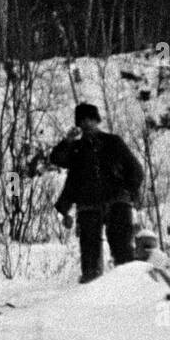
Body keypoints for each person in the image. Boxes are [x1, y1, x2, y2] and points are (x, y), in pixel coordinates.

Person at [50, 102, 144, 283]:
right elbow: (56, 158)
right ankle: (92, 299)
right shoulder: (76, 148)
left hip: (117, 202)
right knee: (90, 260)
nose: (87, 124)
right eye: (83, 121)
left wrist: (129, 192)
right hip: (88, 205)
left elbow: (135, 170)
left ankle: (132, 291)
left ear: (97, 120)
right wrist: (67, 141)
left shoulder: (113, 142)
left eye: (90, 119)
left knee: (123, 253)